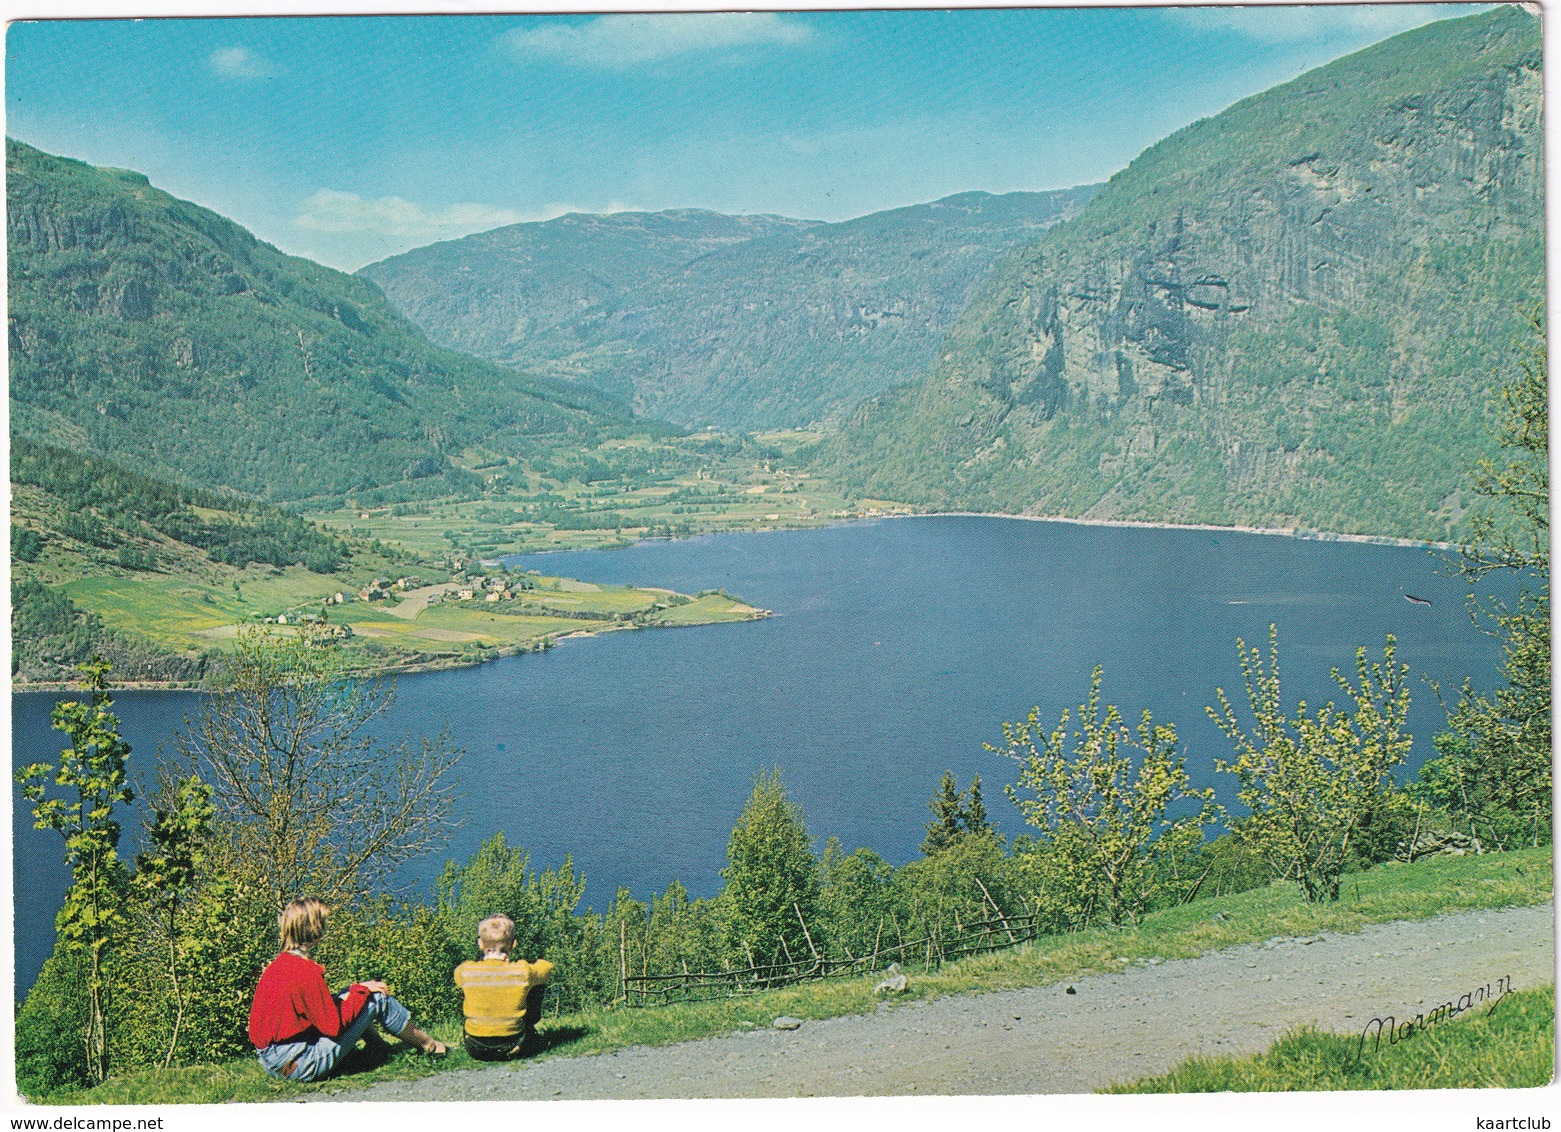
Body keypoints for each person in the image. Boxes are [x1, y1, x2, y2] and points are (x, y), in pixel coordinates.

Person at [248, 896, 447, 1081]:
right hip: (299, 1065)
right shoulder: (306, 971)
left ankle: (379, 1051)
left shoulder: (278, 966)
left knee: (351, 994)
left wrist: (355, 990)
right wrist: (361, 992)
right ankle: (430, 1046)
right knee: (378, 999)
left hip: (274, 1064)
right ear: (314, 928)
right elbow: (333, 1026)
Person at [453, 914, 554, 1060]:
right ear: (513, 944)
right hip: (513, 1045)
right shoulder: (522, 971)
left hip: (475, 1047)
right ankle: (529, 1031)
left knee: (470, 989)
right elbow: (547, 968)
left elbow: (457, 974)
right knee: (536, 983)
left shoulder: (467, 971)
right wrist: (529, 964)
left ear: (480, 944)